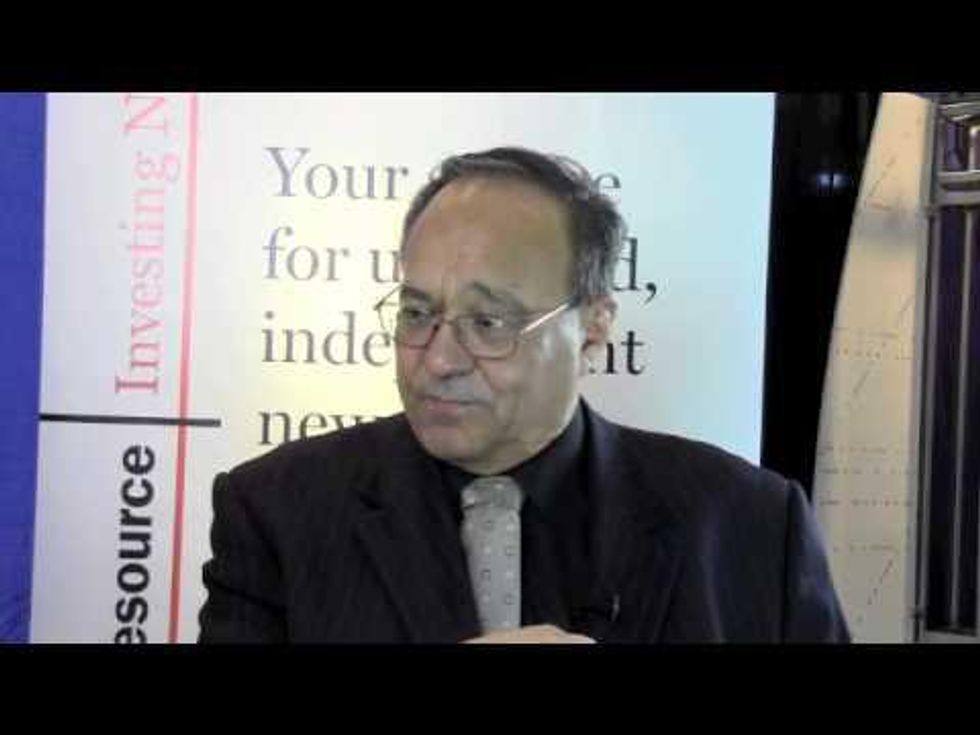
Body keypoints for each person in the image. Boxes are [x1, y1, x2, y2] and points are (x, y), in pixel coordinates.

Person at [198, 146, 850, 643]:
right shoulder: (278, 511)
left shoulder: (753, 526)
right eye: (418, 313)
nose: (439, 360)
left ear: (593, 328)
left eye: (488, 323)